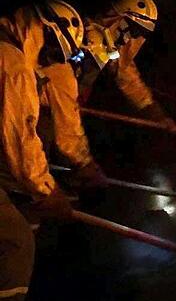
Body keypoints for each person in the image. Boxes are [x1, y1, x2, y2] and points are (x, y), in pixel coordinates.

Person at [0, 0, 81, 301]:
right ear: (42, 31)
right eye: (49, 54)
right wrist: (48, 191)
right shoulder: (14, 66)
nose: (47, 63)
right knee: (18, 244)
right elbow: (21, 139)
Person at [38, 23, 117, 189]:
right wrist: (86, 164)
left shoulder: (51, 61)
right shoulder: (62, 74)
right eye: (92, 67)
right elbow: (68, 133)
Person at [93, 0, 172, 127]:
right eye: (134, 29)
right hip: (51, 105)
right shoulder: (80, 37)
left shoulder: (114, 49)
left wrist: (153, 112)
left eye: (138, 33)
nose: (132, 37)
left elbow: (127, 77)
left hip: (67, 107)